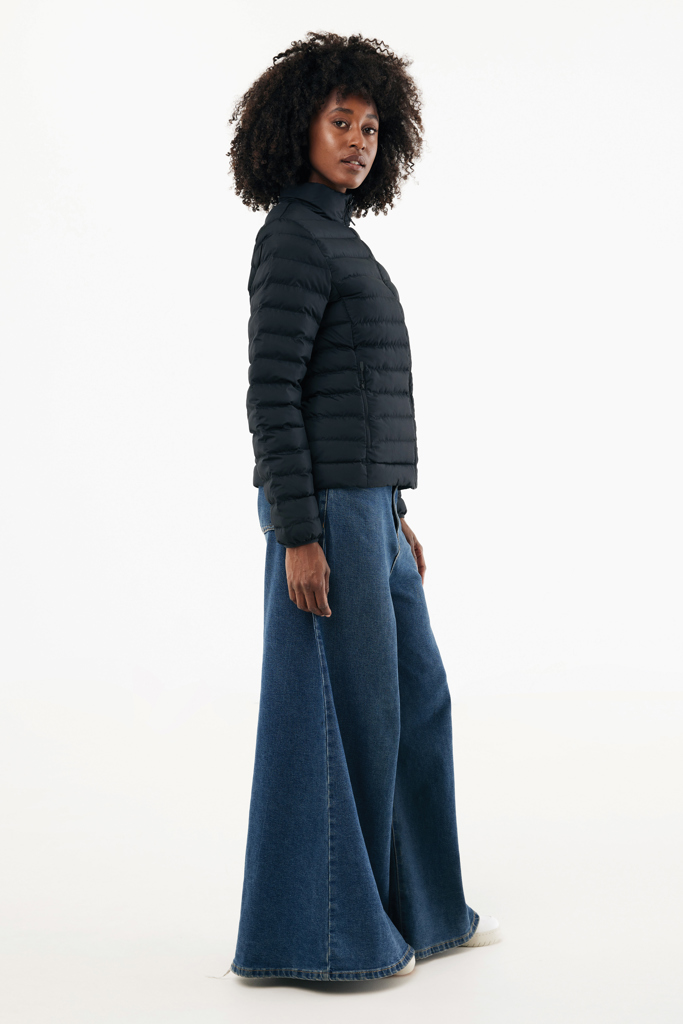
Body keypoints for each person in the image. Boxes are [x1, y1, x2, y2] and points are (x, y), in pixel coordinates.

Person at [227, 31, 501, 982]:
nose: (357, 141)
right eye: (340, 122)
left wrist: (392, 509)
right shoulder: (291, 239)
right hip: (325, 519)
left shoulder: (340, 239)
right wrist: (300, 533)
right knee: (348, 718)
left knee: (415, 701)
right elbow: (271, 397)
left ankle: (424, 911)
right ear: (295, 129)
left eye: (372, 128)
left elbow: (351, 392)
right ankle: (327, 941)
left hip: (371, 511)